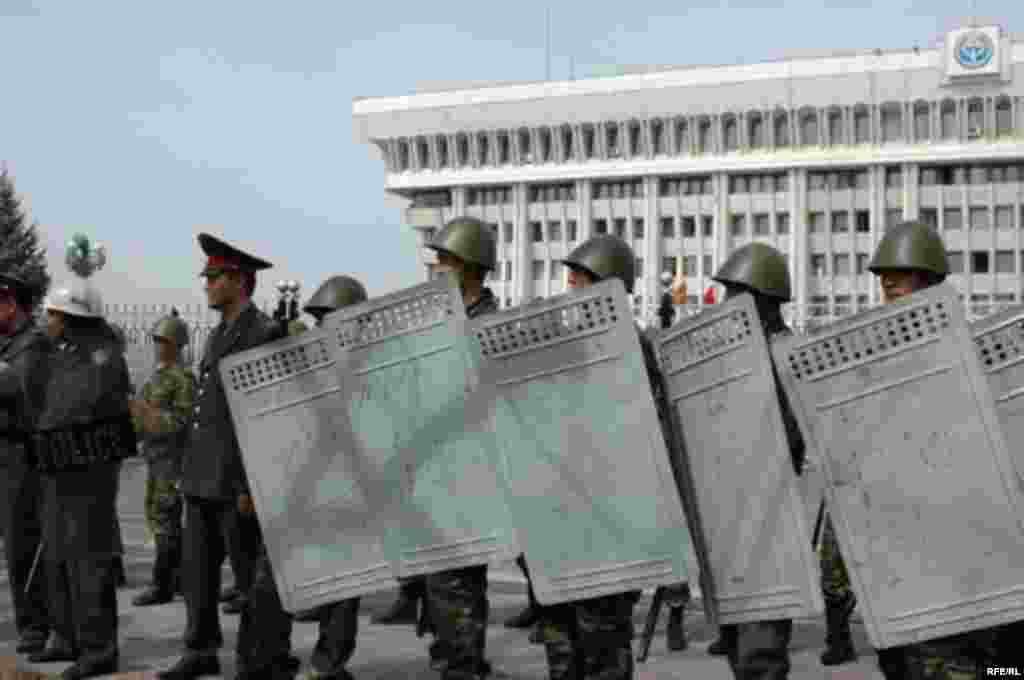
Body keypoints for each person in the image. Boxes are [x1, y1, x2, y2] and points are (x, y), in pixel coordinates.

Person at [866, 220, 1002, 680]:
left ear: (928, 278)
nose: (888, 282)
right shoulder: (871, 352)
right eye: (883, 275)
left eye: (900, 273)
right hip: (896, 532)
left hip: (962, 531)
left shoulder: (965, 342)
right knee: (900, 659)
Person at [158, 233, 295, 680]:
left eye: (215, 276)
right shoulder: (218, 334)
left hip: (238, 481)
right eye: (208, 276)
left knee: (251, 576)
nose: (207, 284)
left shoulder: (263, 333)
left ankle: (261, 658)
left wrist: (252, 484)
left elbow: (269, 416)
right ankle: (200, 648)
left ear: (239, 280)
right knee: (197, 573)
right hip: (203, 476)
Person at [27, 263, 135, 679]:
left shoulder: (102, 357)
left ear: (72, 317)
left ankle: (98, 649)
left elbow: (77, 408)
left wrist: (49, 428)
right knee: (58, 555)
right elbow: (45, 402)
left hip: (87, 472)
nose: (47, 320)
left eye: (53, 314)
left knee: (88, 561)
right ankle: (66, 636)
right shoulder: (65, 353)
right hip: (60, 468)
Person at [421, 216, 501, 680]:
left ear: (469, 266)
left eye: (445, 261)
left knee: (459, 579)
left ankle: (464, 664)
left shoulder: (488, 325)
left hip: (471, 471)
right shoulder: (442, 320)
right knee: (441, 580)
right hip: (436, 468)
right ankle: (457, 658)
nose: (437, 269)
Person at [288, 275, 370, 680]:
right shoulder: (317, 364)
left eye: (327, 318)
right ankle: (328, 659)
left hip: (353, 486)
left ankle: (330, 661)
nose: (319, 327)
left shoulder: (365, 366)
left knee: (347, 579)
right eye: (318, 319)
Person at [0, 273, 51, 656]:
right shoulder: (11, 344)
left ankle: (35, 623)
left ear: (10, 304)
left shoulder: (33, 344)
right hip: (5, 453)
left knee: (23, 543)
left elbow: (22, 393)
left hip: (22, 457)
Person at [130, 311, 196, 607]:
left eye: (163, 341)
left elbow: (183, 421)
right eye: (156, 340)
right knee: (159, 518)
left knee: (165, 519)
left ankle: (163, 584)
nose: (157, 346)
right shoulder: (156, 377)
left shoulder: (182, 380)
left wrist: (151, 418)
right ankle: (178, 579)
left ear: (176, 344)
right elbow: (139, 418)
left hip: (172, 461)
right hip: (155, 459)